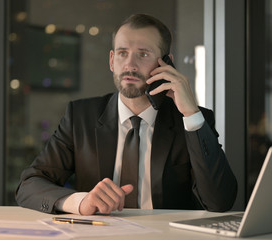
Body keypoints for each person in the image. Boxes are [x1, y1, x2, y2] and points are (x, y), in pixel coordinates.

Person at [16, 13, 237, 216]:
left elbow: (220, 201)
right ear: (112, 61)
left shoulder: (191, 120)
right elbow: (29, 185)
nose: (130, 65)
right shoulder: (81, 117)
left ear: (166, 63)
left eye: (143, 54)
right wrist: (80, 202)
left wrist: (191, 114)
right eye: (123, 53)